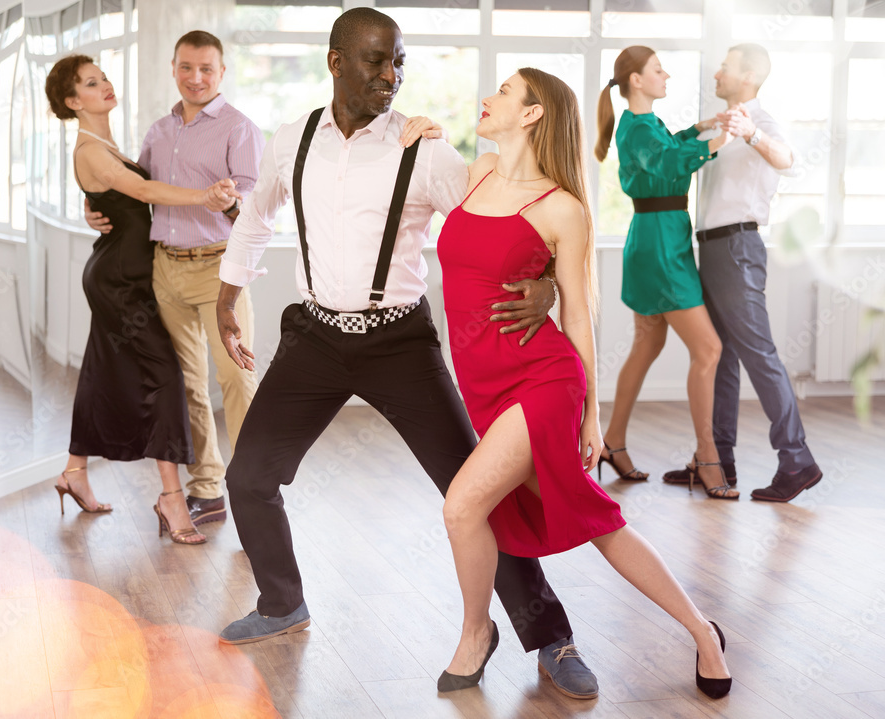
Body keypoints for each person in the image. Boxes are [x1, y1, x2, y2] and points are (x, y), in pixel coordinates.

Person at [213, 8, 604, 700]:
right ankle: (281, 600)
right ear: (336, 62)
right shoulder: (291, 139)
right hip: (314, 337)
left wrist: (544, 283)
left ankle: (551, 636)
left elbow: (503, 226)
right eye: (375, 62)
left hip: (400, 342)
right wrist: (227, 292)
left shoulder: (426, 149)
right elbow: (256, 215)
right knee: (247, 475)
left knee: (479, 493)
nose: (390, 77)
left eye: (399, 62)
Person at [435, 67, 731, 699]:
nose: (486, 99)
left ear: (533, 114)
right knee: (601, 525)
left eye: (503, 93)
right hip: (484, 384)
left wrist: (590, 417)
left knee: (462, 507)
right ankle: (702, 630)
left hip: (543, 380)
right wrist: (417, 130)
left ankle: (473, 634)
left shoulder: (562, 208)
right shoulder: (477, 170)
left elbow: (577, 311)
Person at [46, 54, 235, 544]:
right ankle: (172, 497)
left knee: (100, 368)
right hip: (118, 281)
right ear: (73, 102)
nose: (105, 85)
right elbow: (142, 187)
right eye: (91, 83)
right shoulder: (89, 149)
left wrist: (92, 207)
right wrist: (206, 197)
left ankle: (74, 471)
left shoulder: (103, 142)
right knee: (166, 375)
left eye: (104, 76)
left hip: (124, 272)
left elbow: (117, 198)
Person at [85, 31, 261, 527]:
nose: (196, 77)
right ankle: (207, 489)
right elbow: (138, 192)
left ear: (221, 72)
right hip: (166, 270)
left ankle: (252, 491)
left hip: (218, 270)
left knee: (237, 379)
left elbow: (255, 212)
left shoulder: (239, 128)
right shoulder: (159, 132)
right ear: (174, 68)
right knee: (186, 386)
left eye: (206, 68)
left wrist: (229, 200)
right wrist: (94, 211)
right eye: (187, 67)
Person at [662, 44, 821, 502]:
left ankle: (797, 461)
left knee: (758, 354)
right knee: (722, 356)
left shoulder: (760, 120)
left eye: (725, 67)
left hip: (737, 247)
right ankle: (720, 460)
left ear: (747, 75)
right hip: (710, 248)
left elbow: (790, 162)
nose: (716, 72)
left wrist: (751, 133)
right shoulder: (723, 122)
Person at [594, 46, 737, 499]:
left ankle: (612, 442)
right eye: (658, 69)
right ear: (636, 79)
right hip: (659, 245)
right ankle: (708, 458)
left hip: (656, 237)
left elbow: (667, 147)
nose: (666, 74)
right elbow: (668, 162)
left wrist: (698, 128)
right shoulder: (636, 126)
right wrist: (718, 142)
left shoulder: (644, 124)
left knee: (647, 342)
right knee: (709, 349)